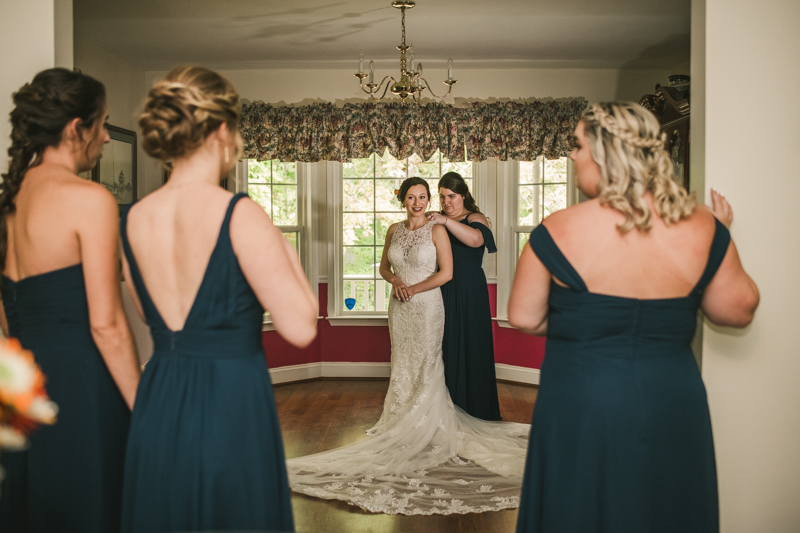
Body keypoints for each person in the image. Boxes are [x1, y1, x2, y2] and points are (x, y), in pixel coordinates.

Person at [508, 102, 760, 533]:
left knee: (578, 507)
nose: (571, 155)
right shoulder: (704, 227)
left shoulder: (556, 229)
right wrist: (717, 238)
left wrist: (589, 323)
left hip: (581, 402)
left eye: (578, 144)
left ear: (606, 153)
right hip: (671, 398)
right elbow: (737, 310)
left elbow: (524, 316)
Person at [119, 66, 317, 532]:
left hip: (160, 396)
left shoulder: (135, 218)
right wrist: (282, 245)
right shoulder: (239, 214)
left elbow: (152, 316)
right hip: (230, 399)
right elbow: (301, 327)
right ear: (224, 130)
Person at [287, 177, 530, 515]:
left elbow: (472, 247)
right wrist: (398, 280)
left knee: (446, 354)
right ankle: (408, 415)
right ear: (403, 199)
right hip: (414, 302)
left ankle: (453, 415)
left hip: (451, 295)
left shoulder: (464, 221)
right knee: (414, 359)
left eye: (446, 197)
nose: (442, 202)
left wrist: (441, 225)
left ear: (462, 197)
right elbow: (386, 265)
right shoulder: (400, 227)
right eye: (440, 198)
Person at [0, 68, 141, 532]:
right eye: (101, 124)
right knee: (90, 506)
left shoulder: (10, 199)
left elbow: (5, 314)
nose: (104, 137)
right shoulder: (89, 198)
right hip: (81, 385)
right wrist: (145, 408)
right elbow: (107, 325)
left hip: (20, 386)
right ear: (74, 128)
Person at [426, 172, 501, 420]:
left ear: (463, 195)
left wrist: (445, 222)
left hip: (470, 290)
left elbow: (476, 239)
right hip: (442, 286)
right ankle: (445, 409)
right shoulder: (436, 221)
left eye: (452, 196)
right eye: (442, 196)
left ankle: (475, 409)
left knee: (471, 343)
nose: (447, 202)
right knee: (444, 344)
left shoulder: (474, 218)